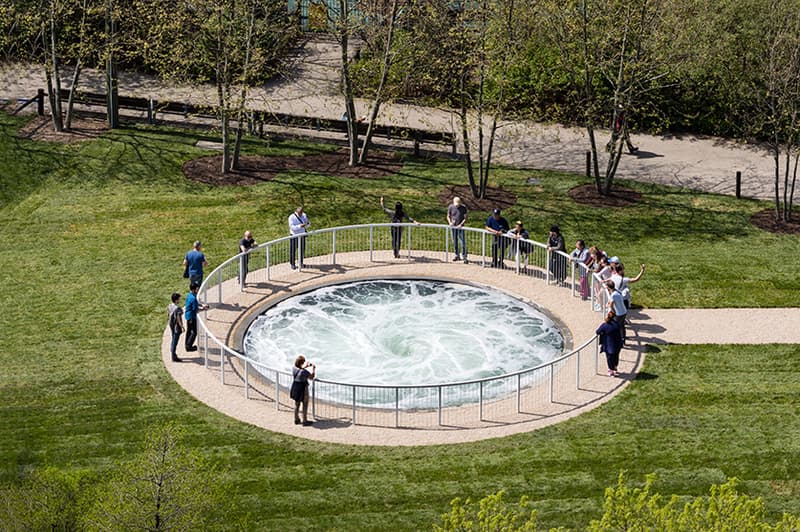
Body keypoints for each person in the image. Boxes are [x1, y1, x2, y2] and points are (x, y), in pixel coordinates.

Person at [290, 354, 316, 426]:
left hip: (295, 387)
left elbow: (299, 370)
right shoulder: (304, 372)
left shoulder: (294, 368)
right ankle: (305, 420)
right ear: (301, 363)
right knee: (305, 404)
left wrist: (305, 367)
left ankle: (296, 419)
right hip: (303, 389)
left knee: (297, 404)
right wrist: (313, 368)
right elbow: (312, 377)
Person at [596, 310, 623, 377]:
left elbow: (597, 331)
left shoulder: (605, 325)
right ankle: (615, 367)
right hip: (617, 344)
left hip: (609, 345)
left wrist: (603, 333)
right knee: (616, 356)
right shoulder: (617, 324)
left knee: (609, 358)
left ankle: (611, 370)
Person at [184, 281, 208, 352]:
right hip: (192, 317)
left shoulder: (190, 295)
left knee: (189, 331)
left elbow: (196, 304)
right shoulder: (193, 298)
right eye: (197, 289)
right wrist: (203, 309)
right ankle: (189, 346)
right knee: (194, 332)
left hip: (188, 316)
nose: (198, 290)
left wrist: (202, 305)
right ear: (194, 289)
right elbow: (196, 309)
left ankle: (187, 344)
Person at [605, 279, 628, 344]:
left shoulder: (613, 295)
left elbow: (611, 305)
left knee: (616, 326)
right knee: (622, 326)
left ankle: (619, 340)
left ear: (609, 287)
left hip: (619, 314)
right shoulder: (617, 291)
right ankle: (623, 339)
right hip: (624, 311)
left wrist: (613, 311)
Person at [446, 196, 468, 263]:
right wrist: (450, 222)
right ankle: (456, 255)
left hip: (460, 227)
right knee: (454, 241)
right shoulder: (451, 207)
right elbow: (448, 216)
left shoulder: (463, 208)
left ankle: (464, 256)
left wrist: (461, 224)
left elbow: (465, 218)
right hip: (453, 227)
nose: (457, 206)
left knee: (462, 242)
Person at [167, 292, 184, 362]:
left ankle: (172, 350)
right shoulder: (178, 309)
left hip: (171, 324)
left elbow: (168, 314)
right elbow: (178, 318)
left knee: (173, 337)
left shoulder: (169, 306)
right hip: (176, 326)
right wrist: (182, 326)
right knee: (175, 340)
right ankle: (173, 355)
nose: (179, 300)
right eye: (179, 299)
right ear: (176, 300)